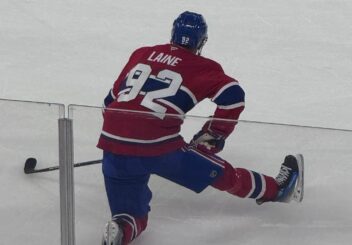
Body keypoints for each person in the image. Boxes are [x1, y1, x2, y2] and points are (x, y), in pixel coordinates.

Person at [98, 11, 304, 245]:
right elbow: (234, 97)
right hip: (161, 148)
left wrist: (124, 142)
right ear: (202, 41)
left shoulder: (142, 53)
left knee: (130, 215)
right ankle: (278, 189)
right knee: (227, 175)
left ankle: (120, 231)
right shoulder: (202, 66)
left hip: (111, 141)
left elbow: (109, 102)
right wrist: (213, 135)